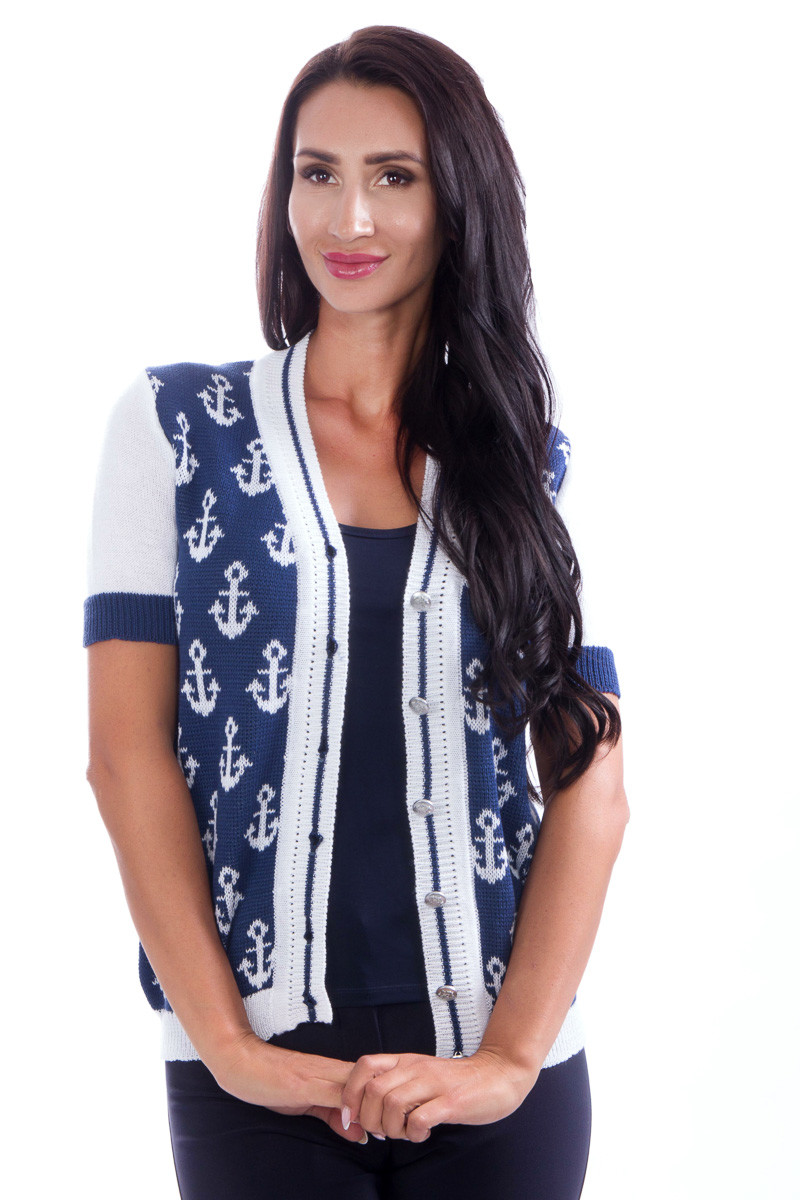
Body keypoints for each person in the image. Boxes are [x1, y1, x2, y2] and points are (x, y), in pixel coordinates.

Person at [84, 24, 628, 1200]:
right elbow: (125, 757)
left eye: (393, 176)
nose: (348, 218)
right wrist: (229, 1047)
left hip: (497, 1081)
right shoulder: (175, 431)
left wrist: (507, 1061)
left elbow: (589, 775)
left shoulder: (523, 456)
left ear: (456, 201)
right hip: (256, 1081)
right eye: (316, 172)